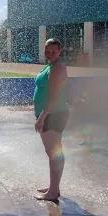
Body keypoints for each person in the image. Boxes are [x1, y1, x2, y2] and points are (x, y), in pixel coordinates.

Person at [34, 38, 69, 201]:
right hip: (51, 113)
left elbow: (54, 96)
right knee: (52, 153)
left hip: (53, 114)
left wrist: (42, 117)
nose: (49, 53)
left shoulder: (57, 68)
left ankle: (53, 192)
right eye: (47, 50)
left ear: (60, 51)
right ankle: (53, 187)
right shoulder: (50, 65)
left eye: (53, 51)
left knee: (55, 153)